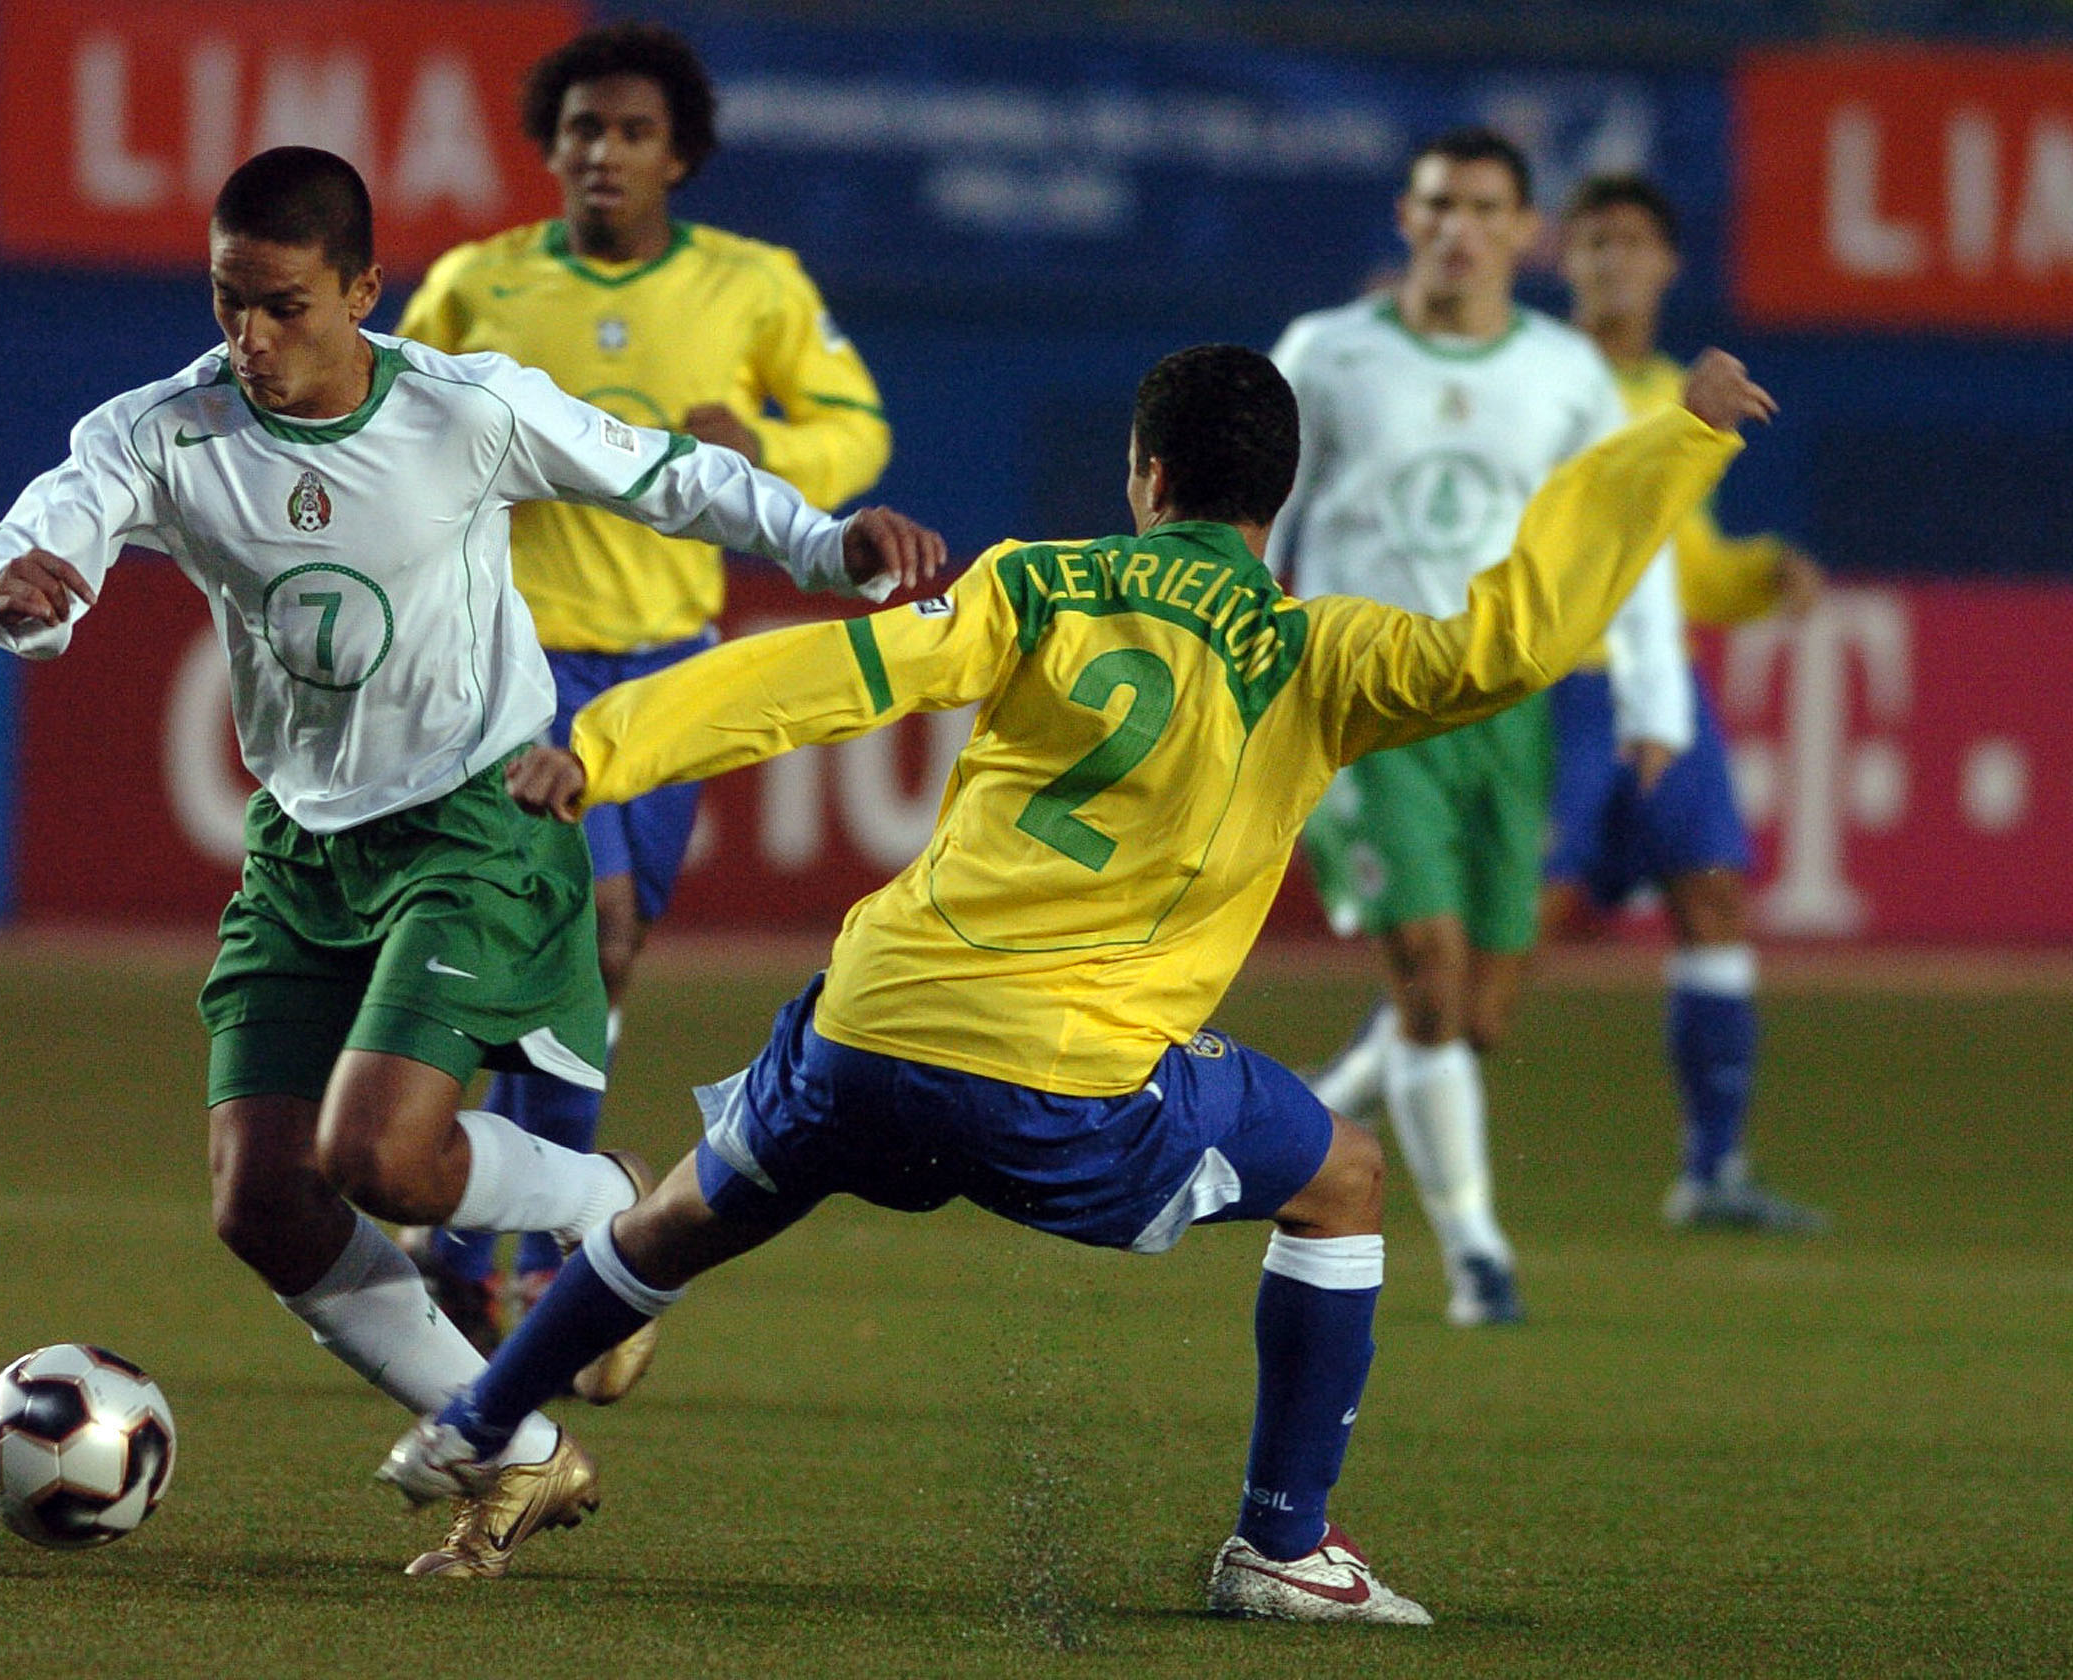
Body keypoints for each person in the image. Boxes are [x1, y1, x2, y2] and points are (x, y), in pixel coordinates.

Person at [376, 343, 1774, 1611]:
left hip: (872, 1025)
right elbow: (1514, 640)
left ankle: (476, 1423)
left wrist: (607, 747)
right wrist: (1669, 442)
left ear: (1148, 475)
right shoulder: (1313, 652)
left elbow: (838, 671)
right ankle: (1282, 1548)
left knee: (682, 1214)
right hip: (1065, 1082)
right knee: (1343, 1174)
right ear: (1276, 499)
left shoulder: (1033, 580)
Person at [0, 146, 942, 1579]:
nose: (250, 339)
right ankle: (525, 1456)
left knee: (382, 1160)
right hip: (302, 846)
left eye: (284, 305)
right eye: (229, 303)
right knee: (260, 1200)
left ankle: (607, 1200)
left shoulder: (464, 411)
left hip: (477, 821)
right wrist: (14, 596)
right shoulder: (165, 430)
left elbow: (668, 477)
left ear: (363, 289)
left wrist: (828, 546)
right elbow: (34, 538)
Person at [391, 21, 894, 1358]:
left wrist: (772, 445)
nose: (601, 152)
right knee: (594, 927)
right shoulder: (474, 287)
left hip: (671, 660)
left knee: (601, 955)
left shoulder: (755, 285)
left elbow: (860, 427)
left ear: (680, 154)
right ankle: (554, 1249)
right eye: (581, 131)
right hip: (517, 659)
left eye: (629, 133)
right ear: (550, 147)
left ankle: (458, 1234)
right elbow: (398, 417)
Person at [1271, 129, 1696, 1327]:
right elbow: (1258, 509)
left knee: (1480, 1013)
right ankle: (1478, 1256)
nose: (1458, 228)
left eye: (1485, 209)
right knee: (1434, 982)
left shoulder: (1566, 372)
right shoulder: (1326, 352)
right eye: (1438, 205)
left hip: (1509, 708)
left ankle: (1320, 1103)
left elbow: (1623, 536)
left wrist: (1655, 698)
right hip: (1359, 697)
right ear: (1407, 221)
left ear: (1525, 234)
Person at [1550, 173, 1827, 1232]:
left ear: (1666, 265)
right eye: (1592, 241)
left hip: (1662, 682)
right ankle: (1341, 1103)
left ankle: (1711, 1173)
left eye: (1631, 241)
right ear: (1565, 261)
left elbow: (1685, 566)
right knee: (1502, 935)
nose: (1612, 259)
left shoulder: (1679, 386)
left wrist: (1763, 575)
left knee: (1713, 898)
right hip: (1558, 681)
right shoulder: (1538, 379)